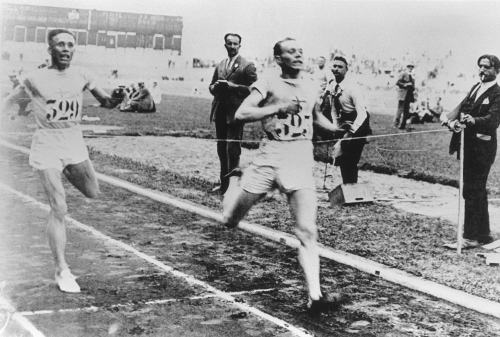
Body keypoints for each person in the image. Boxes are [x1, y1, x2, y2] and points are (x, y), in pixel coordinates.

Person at [222, 38, 347, 315]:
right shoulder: (268, 82)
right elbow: (241, 113)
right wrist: (276, 108)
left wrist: (336, 130)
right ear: (278, 58)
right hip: (270, 155)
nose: (298, 55)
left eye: (300, 51)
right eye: (291, 52)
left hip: (300, 156)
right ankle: (234, 180)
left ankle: (315, 295)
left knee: (307, 230)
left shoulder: (313, 83)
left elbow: (314, 117)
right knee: (230, 220)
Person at [2, 29, 124, 293]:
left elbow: (106, 102)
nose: (66, 49)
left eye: (70, 44)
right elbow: (10, 103)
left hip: (74, 141)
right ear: (50, 49)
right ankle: (62, 269)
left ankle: (65, 171)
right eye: (60, 45)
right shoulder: (35, 78)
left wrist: (118, 97)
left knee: (93, 192)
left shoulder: (82, 75)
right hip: (46, 143)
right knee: (59, 208)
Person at [441, 54, 500, 249]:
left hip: (482, 149)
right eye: (480, 67)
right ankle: (482, 235)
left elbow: (493, 120)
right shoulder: (475, 87)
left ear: (496, 71)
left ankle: (470, 236)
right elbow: (462, 107)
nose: (482, 70)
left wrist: (474, 121)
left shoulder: (497, 93)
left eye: (487, 67)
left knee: (472, 190)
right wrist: (450, 119)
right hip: (467, 146)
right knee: (476, 190)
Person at [209, 33, 257, 194]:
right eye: (229, 43)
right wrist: (214, 87)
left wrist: (232, 86)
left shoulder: (246, 65)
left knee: (232, 149)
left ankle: (233, 186)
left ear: (239, 46)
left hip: (236, 113)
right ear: (225, 45)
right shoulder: (221, 64)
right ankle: (223, 184)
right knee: (221, 148)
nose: (232, 46)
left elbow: (254, 90)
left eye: (235, 44)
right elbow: (211, 86)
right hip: (220, 111)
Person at [318, 56, 371, 184]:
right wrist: (336, 127)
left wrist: (351, 133)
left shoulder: (353, 87)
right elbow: (333, 109)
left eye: (340, 67)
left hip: (359, 122)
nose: (336, 69)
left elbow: (362, 113)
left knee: (351, 158)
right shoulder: (332, 85)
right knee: (342, 156)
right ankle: (348, 186)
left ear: (347, 70)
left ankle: (351, 187)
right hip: (345, 121)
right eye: (334, 66)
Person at [394, 63, 415, 130]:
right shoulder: (403, 74)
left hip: (408, 95)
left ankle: (403, 125)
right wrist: (405, 84)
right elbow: (398, 82)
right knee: (400, 110)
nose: (410, 68)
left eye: (412, 67)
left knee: (406, 111)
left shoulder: (412, 76)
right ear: (406, 67)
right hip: (402, 94)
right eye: (409, 67)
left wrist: (412, 86)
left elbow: (413, 87)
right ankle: (396, 123)